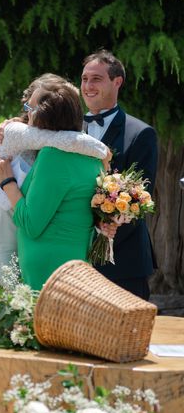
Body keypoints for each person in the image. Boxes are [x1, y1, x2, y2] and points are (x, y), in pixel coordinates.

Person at [0, 75, 109, 284]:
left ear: (46, 114)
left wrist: (7, 181)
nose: (25, 114)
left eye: (30, 108)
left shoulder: (54, 155)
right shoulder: (91, 157)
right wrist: (99, 149)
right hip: (75, 263)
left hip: (44, 261)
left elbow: (31, 223)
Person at [81, 50, 158, 300]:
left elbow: (140, 199)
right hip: (73, 259)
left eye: (96, 79)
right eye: (84, 79)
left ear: (117, 82)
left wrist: (105, 231)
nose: (88, 86)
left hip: (123, 261)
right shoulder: (69, 131)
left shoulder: (140, 134)